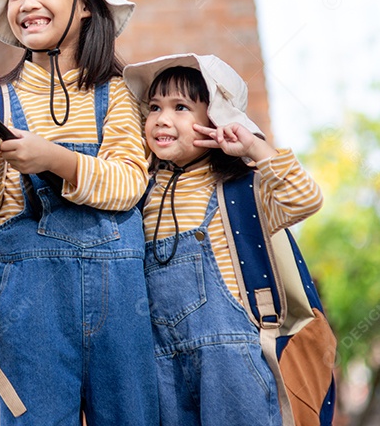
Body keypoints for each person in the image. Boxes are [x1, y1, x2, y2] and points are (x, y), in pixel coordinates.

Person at [0, 0, 158, 425]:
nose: (28, 3)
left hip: (125, 307)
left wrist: (53, 158)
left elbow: (129, 185)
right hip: (30, 306)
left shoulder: (119, 93)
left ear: (85, 4)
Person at [122, 53, 324, 426]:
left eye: (181, 107)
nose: (162, 119)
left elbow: (305, 197)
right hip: (160, 363)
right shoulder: (141, 192)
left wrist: (252, 148)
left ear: (216, 119)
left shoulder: (241, 189)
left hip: (232, 356)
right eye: (154, 107)